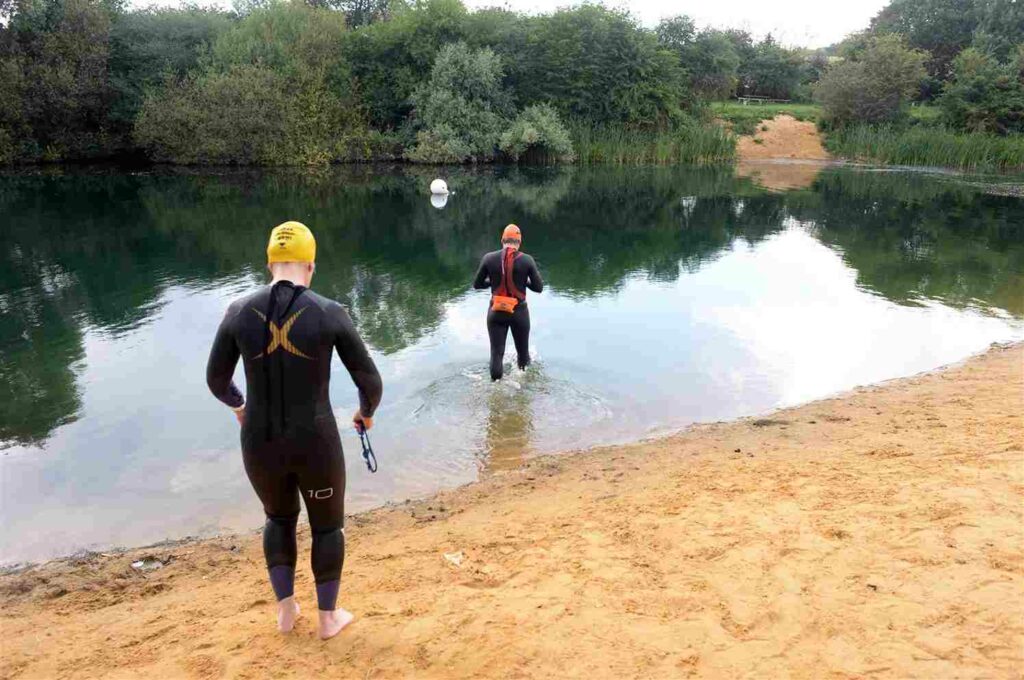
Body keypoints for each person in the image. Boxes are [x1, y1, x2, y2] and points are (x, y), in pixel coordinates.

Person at [206, 221, 382, 640]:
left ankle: (286, 612)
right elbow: (370, 381)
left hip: (259, 441)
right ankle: (328, 619)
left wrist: (240, 405)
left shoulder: (236, 312)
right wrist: (365, 413)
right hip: (315, 442)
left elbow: (216, 380)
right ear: (311, 265)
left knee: (278, 519)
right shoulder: (328, 311)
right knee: (326, 528)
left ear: (269, 263)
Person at [473, 224, 544, 381]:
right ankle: (523, 392)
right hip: (519, 312)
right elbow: (539, 288)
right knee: (523, 355)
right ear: (519, 242)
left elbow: (477, 285)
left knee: (496, 354)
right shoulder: (527, 260)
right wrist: (524, 282)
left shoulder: (488, 258)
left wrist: (491, 282)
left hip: (496, 312)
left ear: (502, 240)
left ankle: (496, 389)